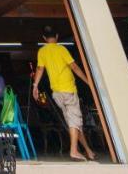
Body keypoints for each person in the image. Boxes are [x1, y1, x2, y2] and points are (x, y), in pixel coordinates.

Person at [32, 25, 96, 162]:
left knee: (74, 123)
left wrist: (35, 86)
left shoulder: (42, 51)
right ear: (57, 36)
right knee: (75, 122)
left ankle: (88, 150)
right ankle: (74, 151)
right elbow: (74, 67)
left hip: (56, 93)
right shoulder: (61, 49)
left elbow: (39, 69)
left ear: (44, 38)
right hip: (68, 90)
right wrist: (88, 82)